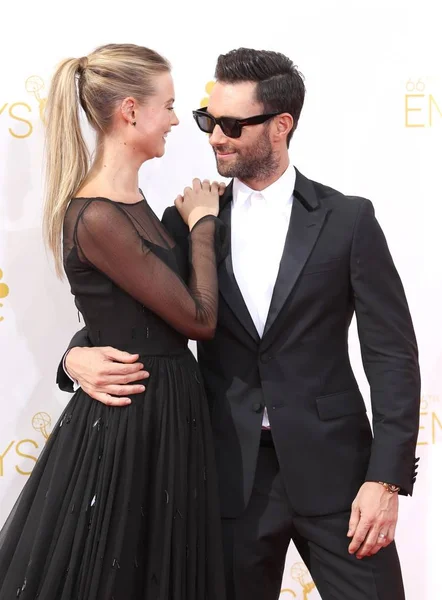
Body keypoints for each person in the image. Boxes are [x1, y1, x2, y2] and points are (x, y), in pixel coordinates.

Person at [57, 48, 421, 600]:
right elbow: (133, 315)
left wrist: (385, 478)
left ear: (280, 126)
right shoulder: (190, 225)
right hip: (226, 478)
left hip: (340, 478)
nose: (212, 137)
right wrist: (73, 356)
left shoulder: (348, 220)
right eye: (207, 120)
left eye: (230, 125)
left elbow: (392, 356)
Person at [0, 43, 228, 600]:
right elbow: (198, 318)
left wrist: (73, 354)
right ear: (130, 110)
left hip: (164, 410)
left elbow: (126, 315)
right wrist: (201, 226)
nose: (177, 120)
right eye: (169, 105)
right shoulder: (100, 213)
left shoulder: (129, 201)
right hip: (134, 420)